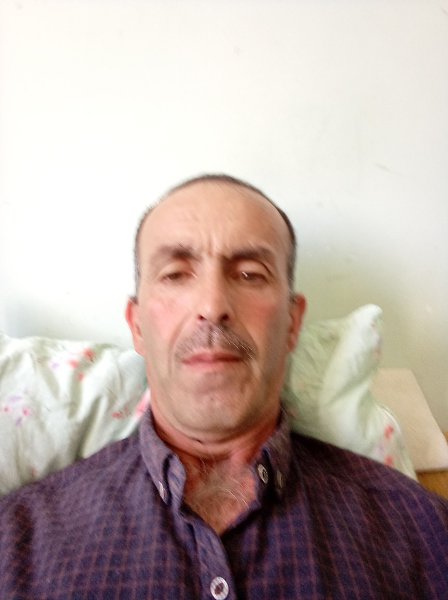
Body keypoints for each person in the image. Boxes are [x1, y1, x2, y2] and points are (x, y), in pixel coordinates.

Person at [0, 174, 447, 599]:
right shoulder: (14, 543)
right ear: (137, 326)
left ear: (292, 323)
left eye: (250, 274)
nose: (213, 306)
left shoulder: (425, 531)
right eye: (176, 274)